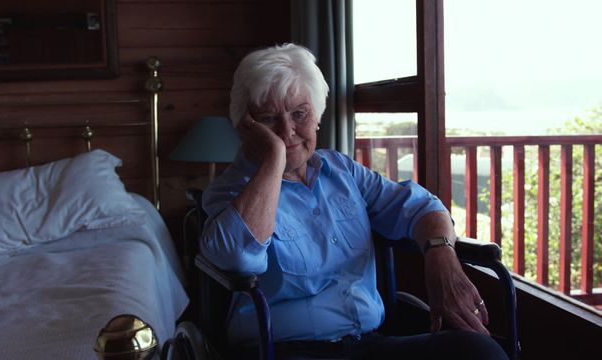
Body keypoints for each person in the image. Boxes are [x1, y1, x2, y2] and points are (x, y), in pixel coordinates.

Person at [199, 43, 507, 360]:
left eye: (300, 114)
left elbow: (419, 205)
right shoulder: (229, 192)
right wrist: (274, 159)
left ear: (317, 115)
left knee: (479, 351)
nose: (287, 131)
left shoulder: (341, 171)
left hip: (370, 344)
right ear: (245, 128)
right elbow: (236, 257)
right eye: (268, 119)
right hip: (283, 351)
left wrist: (441, 256)